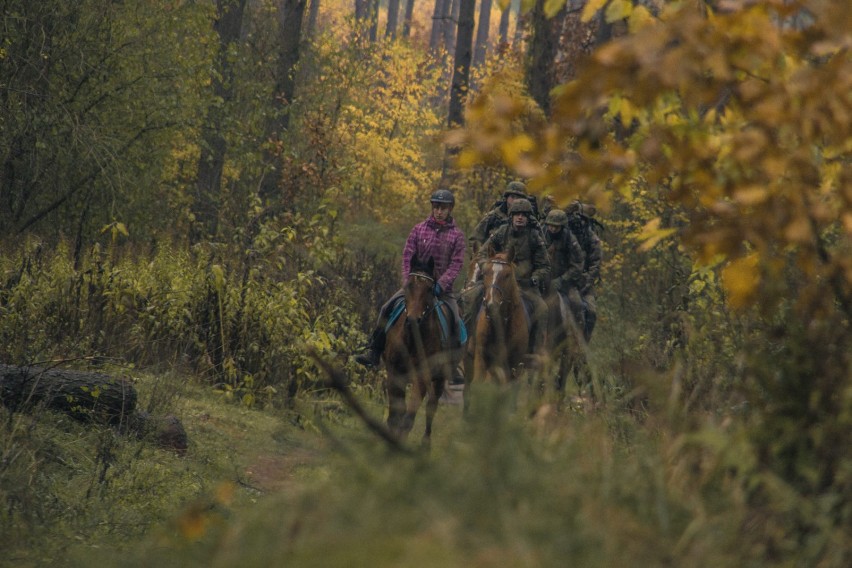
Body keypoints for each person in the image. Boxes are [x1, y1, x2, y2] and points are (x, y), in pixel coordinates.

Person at [355, 189, 466, 368]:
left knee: (455, 318)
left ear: (450, 209)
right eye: (436, 207)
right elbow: (407, 255)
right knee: (386, 308)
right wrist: (407, 281)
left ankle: (450, 363)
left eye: (443, 208)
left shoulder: (457, 236)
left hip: (441, 290)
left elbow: (456, 264)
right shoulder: (418, 229)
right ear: (432, 207)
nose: (439, 211)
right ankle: (374, 352)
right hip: (415, 286)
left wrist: (442, 284)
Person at [461, 198, 551, 359]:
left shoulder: (535, 237)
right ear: (511, 216)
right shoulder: (502, 231)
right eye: (517, 214)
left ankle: (536, 351)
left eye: (524, 214)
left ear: (528, 217)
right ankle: (467, 342)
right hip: (496, 283)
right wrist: (486, 268)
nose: (520, 217)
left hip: (525, 286)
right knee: (469, 297)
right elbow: (481, 254)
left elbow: (544, 266)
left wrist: (535, 278)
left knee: (542, 308)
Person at [566, 201, 603, 342]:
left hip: (584, 284)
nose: (579, 222)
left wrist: (585, 283)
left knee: (591, 312)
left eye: (583, 220)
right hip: (565, 280)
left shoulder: (593, 240)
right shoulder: (565, 235)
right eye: (577, 218)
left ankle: (582, 345)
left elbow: (595, 265)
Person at [543, 209, 585, 331]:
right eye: (551, 225)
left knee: (577, 305)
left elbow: (577, 265)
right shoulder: (540, 234)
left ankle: (577, 342)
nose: (553, 229)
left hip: (565, 283)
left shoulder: (570, 240)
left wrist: (562, 280)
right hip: (542, 281)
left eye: (557, 226)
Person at [468, 180, 532, 257]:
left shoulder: (530, 219)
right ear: (506, 198)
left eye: (519, 198)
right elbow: (475, 239)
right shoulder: (493, 217)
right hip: (493, 262)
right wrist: (479, 258)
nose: (515, 200)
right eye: (512, 197)